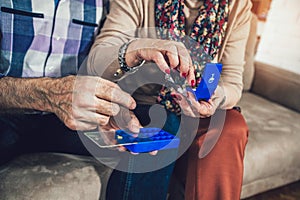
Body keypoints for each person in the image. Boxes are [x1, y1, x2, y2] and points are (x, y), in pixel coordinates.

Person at [87, 0, 251, 199]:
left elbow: (232, 80)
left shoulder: (238, 5)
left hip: (200, 109)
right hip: (148, 102)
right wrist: (138, 50)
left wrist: (218, 97)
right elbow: (97, 60)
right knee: (162, 127)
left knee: (232, 128)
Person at [0, 0, 143, 188]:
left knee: (133, 157)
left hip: (67, 121)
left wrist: (105, 108)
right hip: (6, 112)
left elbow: (98, 68)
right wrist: (49, 94)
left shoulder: (106, 4)